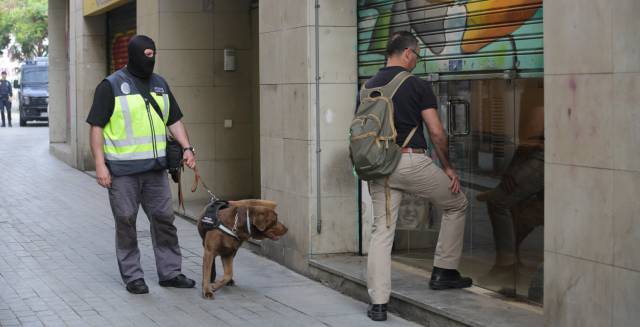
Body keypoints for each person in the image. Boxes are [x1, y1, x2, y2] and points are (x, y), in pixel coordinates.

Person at [363, 31, 471, 322]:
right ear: (408, 53)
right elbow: (436, 132)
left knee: (382, 232)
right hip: (410, 161)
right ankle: (444, 271)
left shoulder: (368, 86)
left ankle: (378, 305)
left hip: (379, 167)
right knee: (456, 203)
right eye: (418, 54)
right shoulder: (418, 85)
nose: (417, 60)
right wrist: (447, 166)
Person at [87, 35, 197, 294]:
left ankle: (170, 272)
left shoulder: (160, 84)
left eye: (153, 54)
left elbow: (174, 120)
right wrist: (100, 165)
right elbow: (96, 128)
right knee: (126, 222)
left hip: (155, 171)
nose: (151, 59)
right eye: (146, 55)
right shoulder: (111, 85)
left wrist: (187, 148)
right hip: (123, 172)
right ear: (133, 55)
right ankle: (133, 276)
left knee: (164, 220)